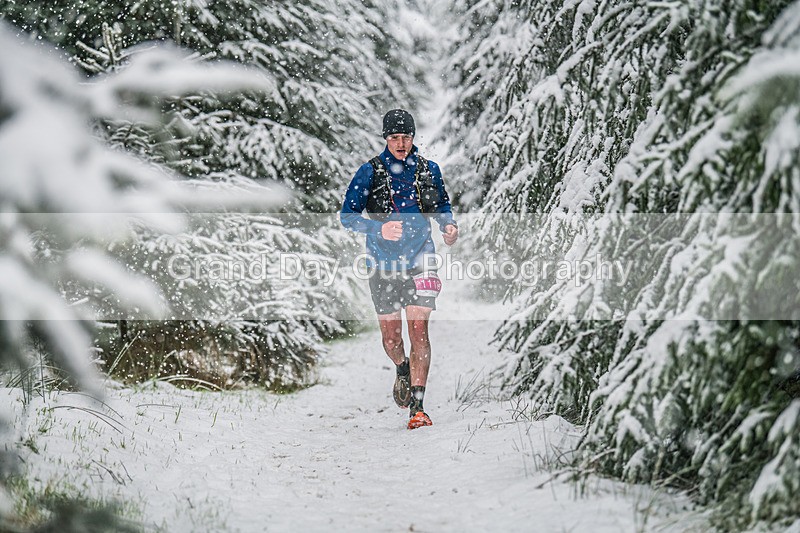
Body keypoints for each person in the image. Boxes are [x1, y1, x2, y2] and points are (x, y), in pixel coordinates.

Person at [340, 109, 459, 430]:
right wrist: (377, 229)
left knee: (419, 330)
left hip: (422, 259)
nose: (401, 143)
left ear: (413, 138)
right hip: (383, 263)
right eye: (395, 137)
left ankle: (417, 407)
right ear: (386, 139)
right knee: (392, 338)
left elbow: (442, 206)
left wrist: (449, 226)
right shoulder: (370, 172)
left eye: (406, 137)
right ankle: (402, 367)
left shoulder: (428, 170)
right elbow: (347, 216)